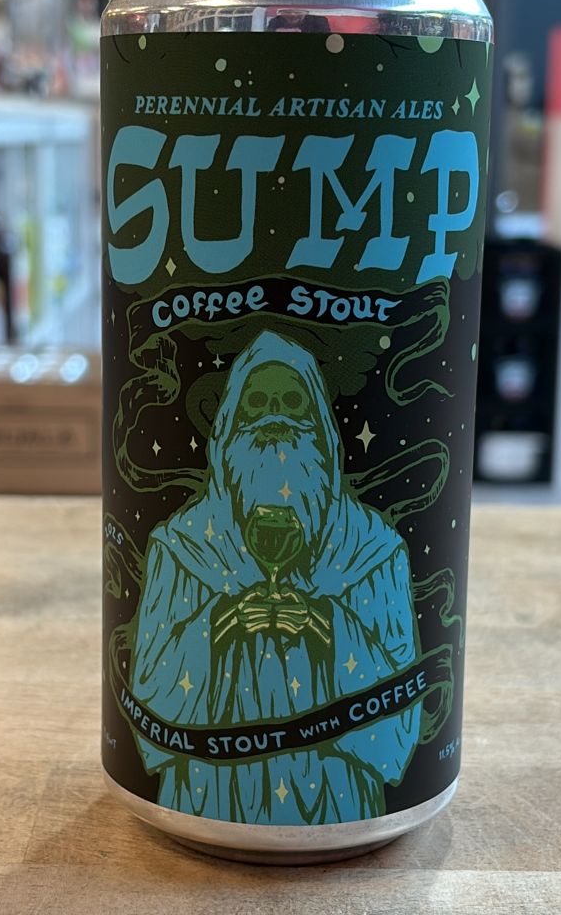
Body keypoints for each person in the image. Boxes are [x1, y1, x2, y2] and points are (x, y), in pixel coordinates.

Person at [129, 329, 420, 823]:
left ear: (321, 430)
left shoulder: (372, 551)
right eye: (258, 404)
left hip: (338, 797)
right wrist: (219, 625)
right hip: (209, 790)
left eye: (291, 403)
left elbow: (402, 723)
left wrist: (325, 627)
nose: (274, 419)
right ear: (230, 427)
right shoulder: (183, 549)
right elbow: (148, 699)